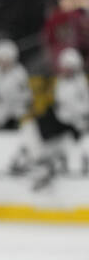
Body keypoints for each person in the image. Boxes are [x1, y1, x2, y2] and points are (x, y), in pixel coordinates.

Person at [32, 47, 89, 190]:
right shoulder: (61, 81)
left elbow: (84, 107)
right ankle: (45, 168)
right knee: (42, 130)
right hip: (63, 120)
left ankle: (47, 169)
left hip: (73, 123)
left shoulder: (80, 83)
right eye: (64, 66)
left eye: (69, 67)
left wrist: (78, 121)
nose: (65, 69)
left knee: (58, 143)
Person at [0, 38, 32, 130]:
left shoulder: (20, 73)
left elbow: (26, 95)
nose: (4, 63)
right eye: (1, 59)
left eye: (7, 59)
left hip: (15, 111)